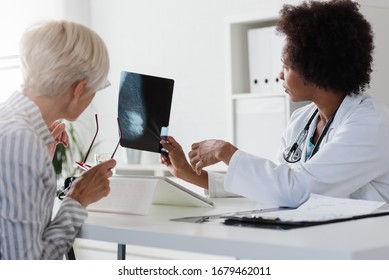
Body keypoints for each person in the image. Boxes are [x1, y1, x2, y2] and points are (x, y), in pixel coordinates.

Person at [161, 0, 389, 208]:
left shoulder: (371, 125)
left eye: (287, 66)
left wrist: (225, 152)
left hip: (366, 245)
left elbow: (295, 190)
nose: (280, 74)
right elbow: (273, 188)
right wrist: (188, 174)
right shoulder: (302, 120)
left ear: (316, 68)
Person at [0, 20, 116, 259]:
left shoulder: (11, 123)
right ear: (78, 90)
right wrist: (78, 198)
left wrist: (39, 152)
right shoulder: (22, 141)